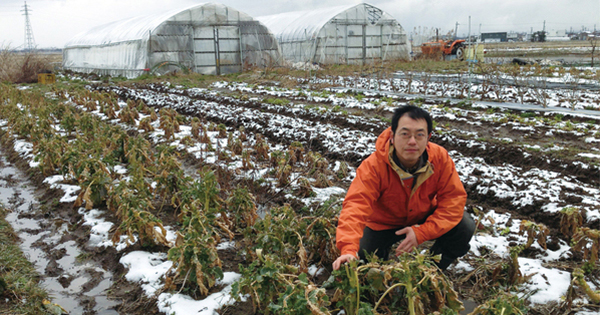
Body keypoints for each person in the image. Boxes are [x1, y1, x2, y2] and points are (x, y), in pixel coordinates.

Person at [333, 105, 475, 271]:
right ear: (392, 136)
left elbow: (453, 200)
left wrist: (422, 232)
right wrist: (348, 248)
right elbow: (356, 205)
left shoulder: (440, 159)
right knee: (363, 259)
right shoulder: (373, 166)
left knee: (464, 225)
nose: (412, 141)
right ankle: (380, 264)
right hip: (383, 222)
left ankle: (431, 270)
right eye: (405, 134)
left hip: (422, 214)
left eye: (419, 135)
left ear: (428, 137)